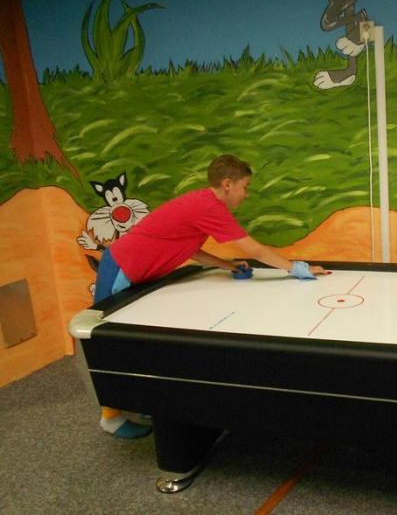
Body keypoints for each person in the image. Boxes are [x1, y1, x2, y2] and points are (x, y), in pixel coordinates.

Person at [93, 153, 327, 439]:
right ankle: (110, 417)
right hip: (121, 266)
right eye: (245, 186)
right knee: (109, 343)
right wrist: (297, 268)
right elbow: (253, 249)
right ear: (228, 184)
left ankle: (139, 401)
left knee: (136, 342)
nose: (246, 194)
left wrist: (226, 265)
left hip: (137, 271)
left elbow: (188, 247)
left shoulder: (201, 202)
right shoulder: (209, 206)